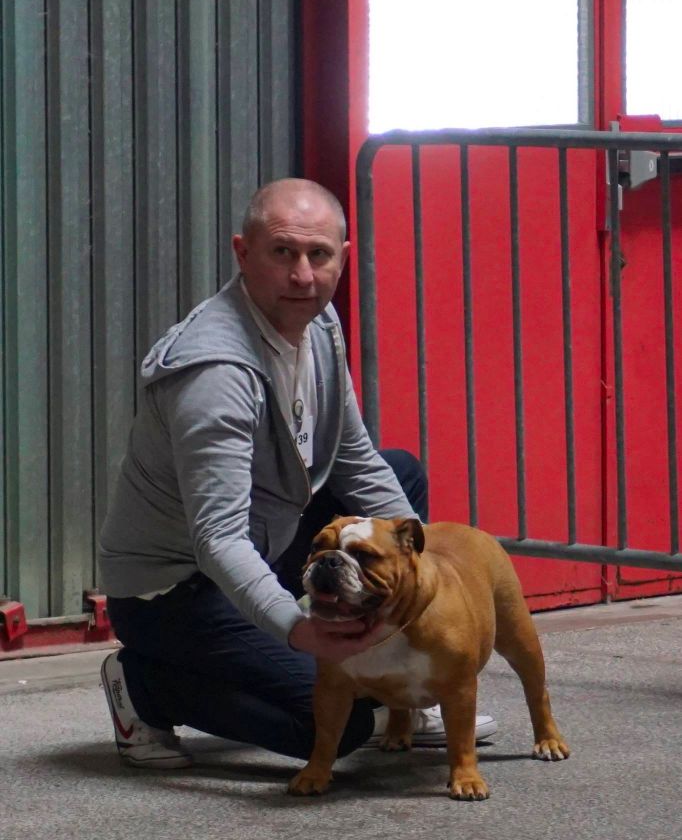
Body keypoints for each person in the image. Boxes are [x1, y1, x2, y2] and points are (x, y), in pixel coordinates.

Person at [98, 177, 497, 768]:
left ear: (343, 258)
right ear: (243, 253)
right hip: (176, 592)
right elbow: (218, 540)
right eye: (282, 252)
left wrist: (430, 580)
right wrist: (296, 628)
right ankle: (145, 686)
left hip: (267, 534)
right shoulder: (215, 374)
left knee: (399, 480)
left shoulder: (318, 322)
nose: (303, 276)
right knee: (334, 724)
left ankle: (397, 684)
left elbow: (356, 459)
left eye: (319, 255)